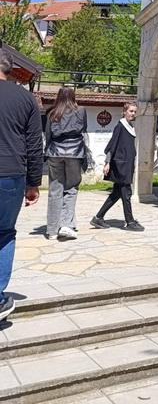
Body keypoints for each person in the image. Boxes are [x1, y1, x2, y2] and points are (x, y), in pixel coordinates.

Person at [0, 49, 43, 321]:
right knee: (4, 234)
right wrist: (33, 183)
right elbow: (34, 144)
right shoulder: (25, 98)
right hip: (10, 175)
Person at [91, 103, 144, 232]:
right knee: (126, 192)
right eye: (131, 111)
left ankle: (98, 217)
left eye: (134, 111)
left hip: (126, 164)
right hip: (121, 165)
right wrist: (107, 162)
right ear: (124, 111)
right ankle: (130, 221)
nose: (133, 114)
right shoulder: (120, 126)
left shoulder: (130, 127)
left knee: (116, 193)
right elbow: (112, 145)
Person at [45, 87, 88, 240]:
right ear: (73, 96)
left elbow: (48, 134)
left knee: (55, 190)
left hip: (55, 152)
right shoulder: (81, 111)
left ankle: (52, 230)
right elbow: (83, 130)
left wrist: (46, 152)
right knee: (71, 188)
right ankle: (65, 225)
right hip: (75, 152)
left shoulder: (52, 112)